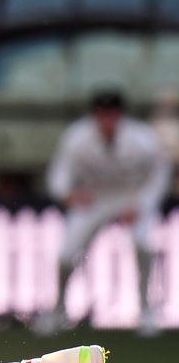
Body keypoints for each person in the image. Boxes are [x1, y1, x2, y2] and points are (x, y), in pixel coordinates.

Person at [34, 89, 172, 337]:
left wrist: (142, 204)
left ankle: (147, 313)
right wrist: (67, 194)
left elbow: (159, 174)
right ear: (94, 115)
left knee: (145, 245)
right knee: (65, 255)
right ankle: (56, 312)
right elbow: (60, 171)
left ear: (120, 114)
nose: (107, 119)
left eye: (112, 114)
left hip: (131, 197)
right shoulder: (76, 136)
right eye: (102, 114)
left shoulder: (142, 137)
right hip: (93, 198)